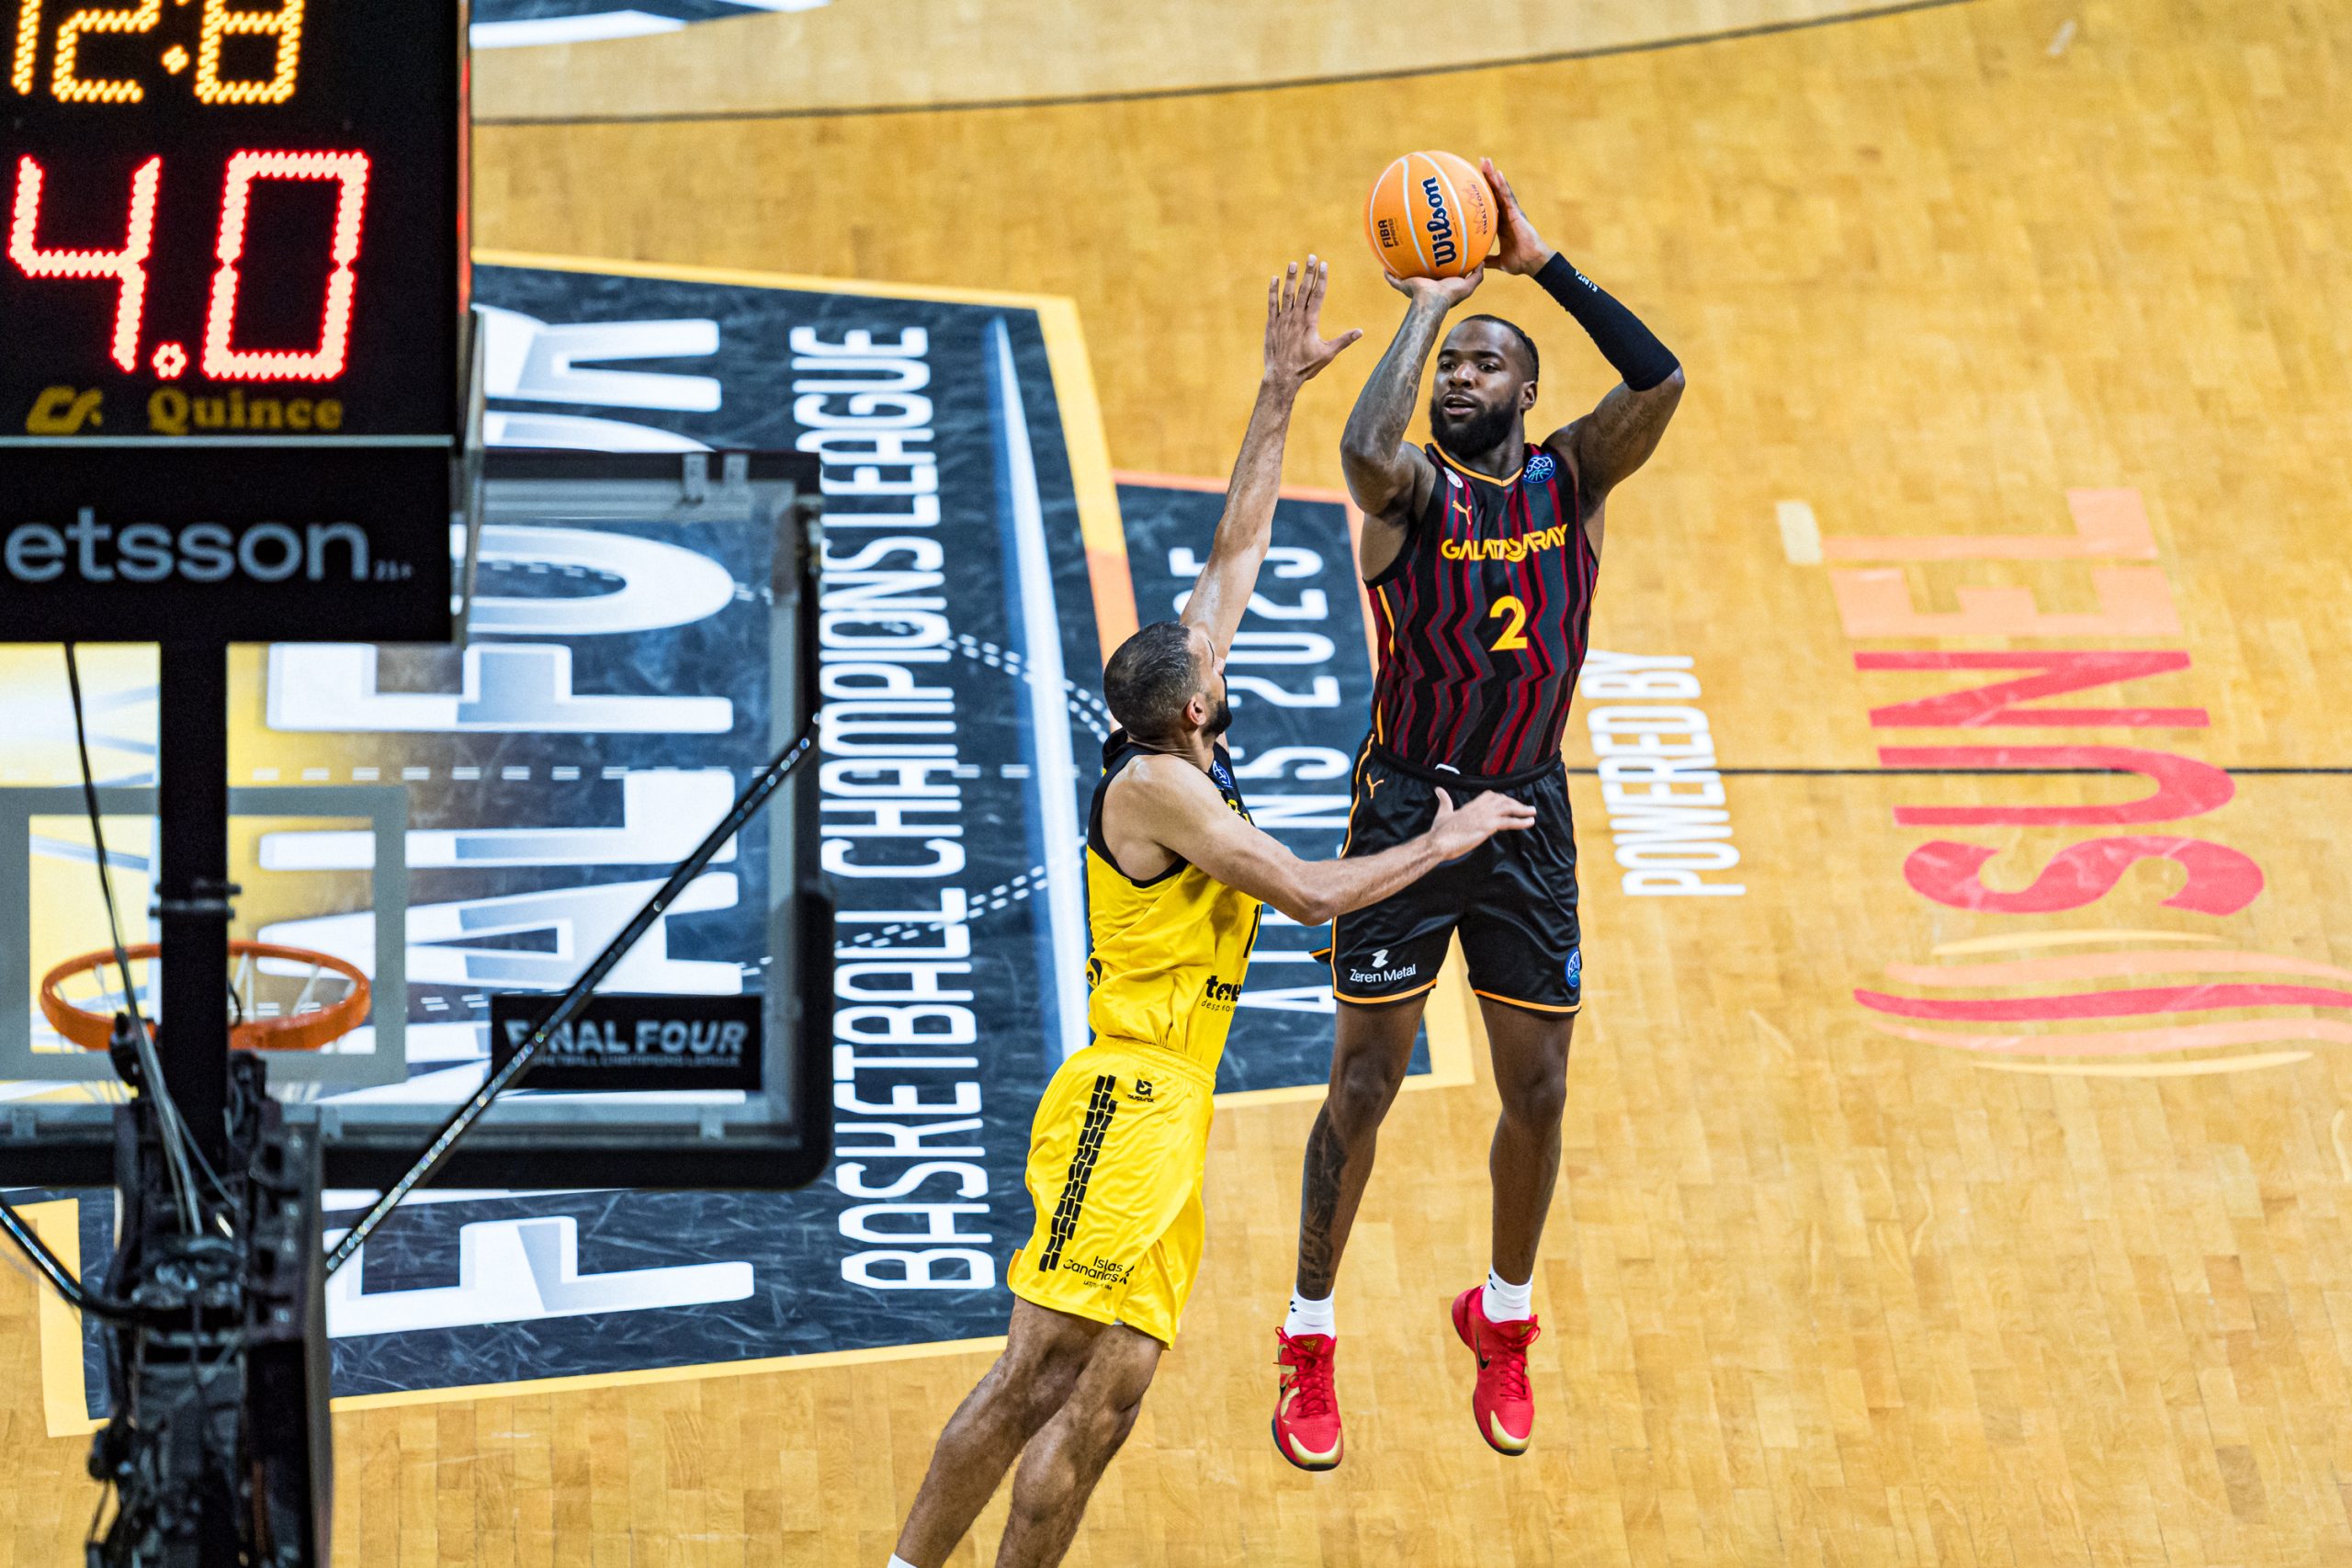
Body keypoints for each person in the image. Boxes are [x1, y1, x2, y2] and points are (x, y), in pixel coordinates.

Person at [886, 258, 1535, 1568]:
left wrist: (1277, 392)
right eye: (1213, 678)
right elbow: (1307, 893)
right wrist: (1451, 835)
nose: (1222, 666)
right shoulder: (1162, 795)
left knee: (1112, 1399)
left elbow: (1236, 547)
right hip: (1125, 1100)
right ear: (1191, 712)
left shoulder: (1172, 715)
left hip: (1173, 1111)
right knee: (1033, 1375)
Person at [1272, 163, 1687, 1469]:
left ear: (1530, 392)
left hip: (1525, 815)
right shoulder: (1407, 504)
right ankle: (1309, 1337)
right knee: (1362, 1087)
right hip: (1406, 811)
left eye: (1485, 362)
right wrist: (1426, 306)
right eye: (1452, 365)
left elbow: (1662, 378)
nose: (1463, 377)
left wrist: (1539, 262)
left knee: (1543, 1086)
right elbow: (1356, 449)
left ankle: (1501, 1318)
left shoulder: (1578, 480)